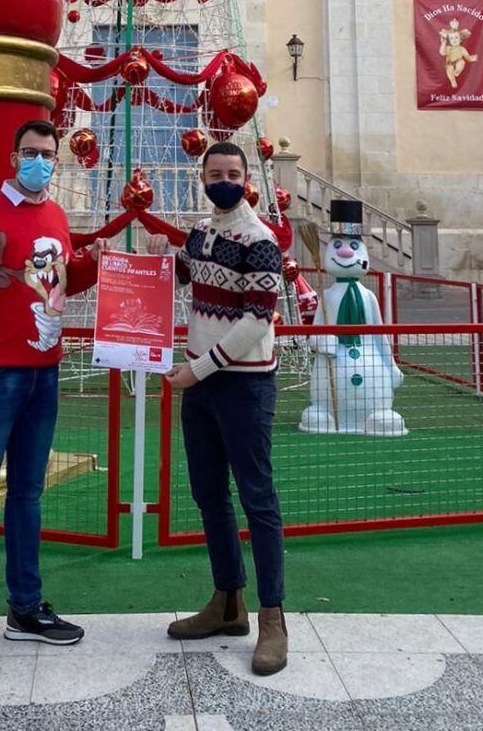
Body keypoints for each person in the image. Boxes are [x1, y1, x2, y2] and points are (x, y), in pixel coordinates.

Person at [0, 119, 109, 675]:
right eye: (31, 153)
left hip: (45, 374)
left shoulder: (56, 217)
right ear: (13, 157)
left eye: (48, 156)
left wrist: (95, 264)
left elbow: (55, 284)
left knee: (28, 495)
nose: (40, 162)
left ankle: (25, 608)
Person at [154, 141, 288, 676]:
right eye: (215, 173)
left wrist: (199, 369)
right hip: (201, 381)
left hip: (242, 384)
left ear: (247, 176)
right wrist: (130, 262)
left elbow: (257, 318)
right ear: (203, 177)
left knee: (258, 498)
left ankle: (272, 618)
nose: (224, 180)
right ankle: (228, 601)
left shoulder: (261, 241)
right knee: (209, 494)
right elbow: (182, 275)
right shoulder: (202, 230)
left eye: (233, 172)